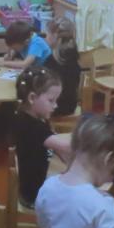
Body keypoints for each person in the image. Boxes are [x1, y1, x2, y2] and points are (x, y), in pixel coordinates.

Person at [12, 66, 71, 209]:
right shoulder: (31, 126)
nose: (55, 105)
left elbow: (59, 148)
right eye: (51, 100)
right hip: (34, 195)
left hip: (36, 184)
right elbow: (66, 147)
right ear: (32, 98)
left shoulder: (32, 117)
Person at [42, 16, 81, 118]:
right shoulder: (73, 55)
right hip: (70, 105)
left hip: (57, 107)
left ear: (55, 36)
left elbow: (43, 87)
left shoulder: (52, 61)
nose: (46, 38)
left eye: (47, 34)